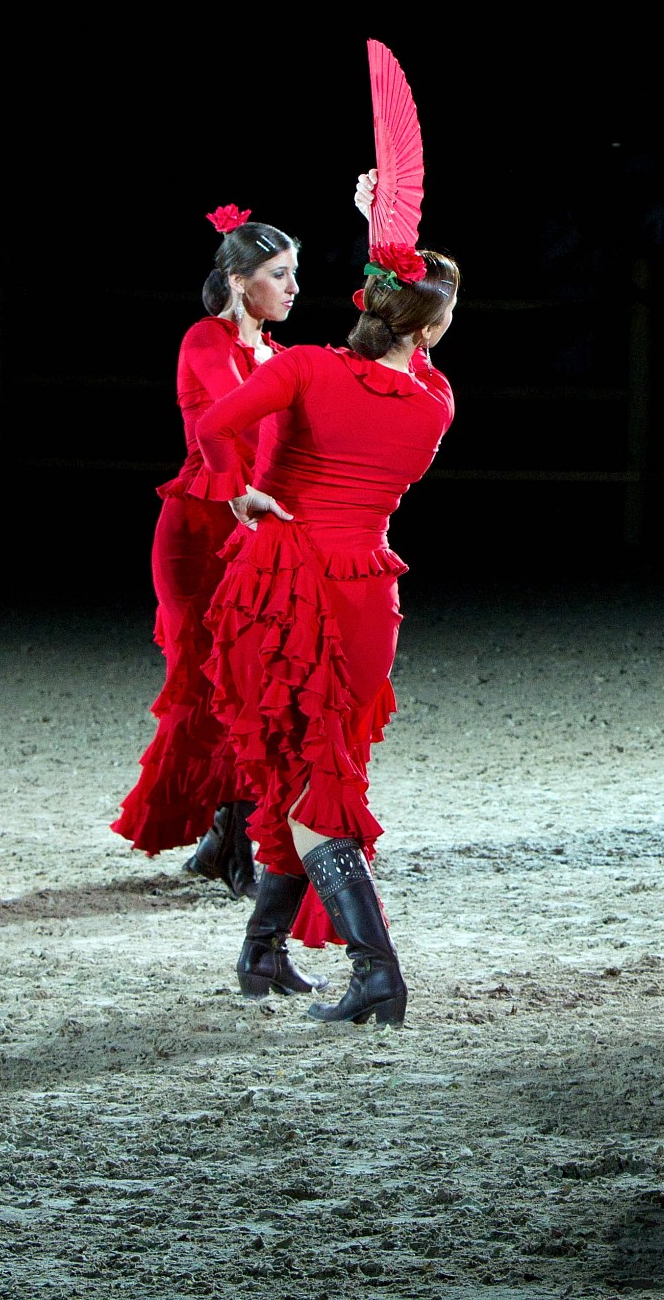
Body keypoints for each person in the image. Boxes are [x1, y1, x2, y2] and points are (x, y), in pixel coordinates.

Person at [190, 172, 457, 1025]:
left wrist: (239, 491)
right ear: (433, 326)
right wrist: (389, 243)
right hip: (367, 595)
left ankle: (377, 972)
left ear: (367, 301)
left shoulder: (304, 368)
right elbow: (415, 335)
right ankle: (262, 952)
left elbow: (213, 425)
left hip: (286, 583)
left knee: (305, 781)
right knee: (310, 767)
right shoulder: (437, 403)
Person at [110, 208, 300, 896]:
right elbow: (223, 423)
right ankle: (235, 839)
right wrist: (242, 495)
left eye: (294, 274)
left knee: (253, 682)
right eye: (279, 275)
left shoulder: (278, 356)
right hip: (200, 530)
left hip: (256, 535)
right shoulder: (206, 339)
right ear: (239, 280)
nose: (293, 287)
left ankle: (232, 838)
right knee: (208, 683)